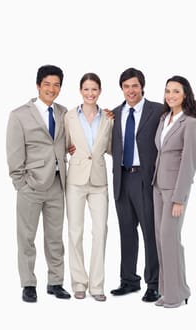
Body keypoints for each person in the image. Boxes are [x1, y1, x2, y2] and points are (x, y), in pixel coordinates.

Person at [6, 65, 71, 302]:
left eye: (56, 85)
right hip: (30, 186)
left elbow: (67, 140)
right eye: (47, 84)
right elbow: (14, 153)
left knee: (55, 237)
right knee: (26, 237)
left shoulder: (64, 113)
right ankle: (28, 284)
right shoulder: (19, 114)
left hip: (57, 184)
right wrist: (21, 183)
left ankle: (55, 282)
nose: (51, 89)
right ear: (38, 85)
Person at [110, 67, 164, 302]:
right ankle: (129, 281)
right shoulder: (113, 114)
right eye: (126, 86)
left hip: (145, 179)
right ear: (121, 88)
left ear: (142, 86)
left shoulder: (158, 111)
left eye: (134, 85)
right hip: (122, 178)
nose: (130, 90)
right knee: (126, 232)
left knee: (150, 232)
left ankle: (154, 283)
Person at [152, 75, 196, 308]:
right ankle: (170, 291)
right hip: (157, 187)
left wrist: (180, 198)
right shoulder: (165, 118)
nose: (170, 95)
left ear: (185, 95)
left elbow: (188, 163)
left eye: (176, 91)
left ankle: (176, 294)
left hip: (174, 190)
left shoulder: (190, 123)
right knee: (162, 241)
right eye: (167, 91)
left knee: (170, 239)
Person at [64, 73, 113, 302]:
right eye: (86, 89)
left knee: (100, 231)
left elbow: (112, 147)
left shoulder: (109, 118)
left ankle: (97, 285)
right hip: (75, 179)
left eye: (94, 89)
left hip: (99, 181)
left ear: (100, 91)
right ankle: (78, 283)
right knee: (75, 232)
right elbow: (64, 144)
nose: (90, 93)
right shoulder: (69, 116)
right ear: (80, 91)